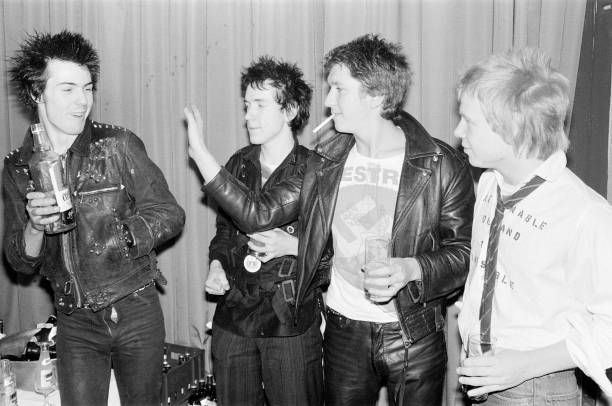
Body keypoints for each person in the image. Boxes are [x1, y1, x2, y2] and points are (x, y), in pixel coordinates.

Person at [187, 34, 474, 406]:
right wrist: (203, 157)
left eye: (339, 89)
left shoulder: (439, 163)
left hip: (412, 335)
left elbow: (465, 254)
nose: (327, 101)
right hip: (342, 330)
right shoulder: (326, 161)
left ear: (374, 96)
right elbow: (258, 214)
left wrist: (411, 268)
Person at [4, 30, 185, 405]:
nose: (82, 101)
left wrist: (122, 237)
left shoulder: (117, 145)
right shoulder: (18, 167)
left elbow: (170, 213)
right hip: (74, 321)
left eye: (87, 88)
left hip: (135, 310)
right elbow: (19, 261)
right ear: (38, 93)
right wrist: (35, 226)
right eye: (68, 89)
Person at [455, 48, 612, 404]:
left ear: (512, 128)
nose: (458, 130)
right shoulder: (490, 184)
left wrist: (524, 365)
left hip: (537, 390)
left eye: (470, 121)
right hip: (481, 374)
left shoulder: (585, 214)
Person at [186, 56, 330, 406]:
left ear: (290, 110)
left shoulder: (315, 170)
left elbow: (259, 217)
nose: (248, 115)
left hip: (289, 323)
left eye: (260, 105)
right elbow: (225, 231)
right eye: (247, 105)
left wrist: (295, 245)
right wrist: (217, 265)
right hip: (234, 318)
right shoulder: (240, 162)